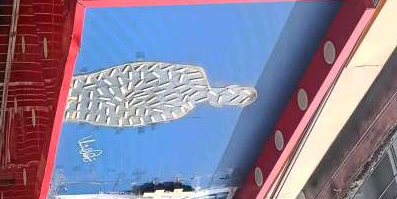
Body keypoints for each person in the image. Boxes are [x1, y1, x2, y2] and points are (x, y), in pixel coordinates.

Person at [64, 61, 257, 129]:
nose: (226, 98)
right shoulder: (194, 75)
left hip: (110, 109)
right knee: (77, 88)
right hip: (114, 86)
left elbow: (136, 117)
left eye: (232, 101)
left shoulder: (181, 110)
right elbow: (146, 70)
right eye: (233, 94)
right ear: (230, 87)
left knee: (74, 110)